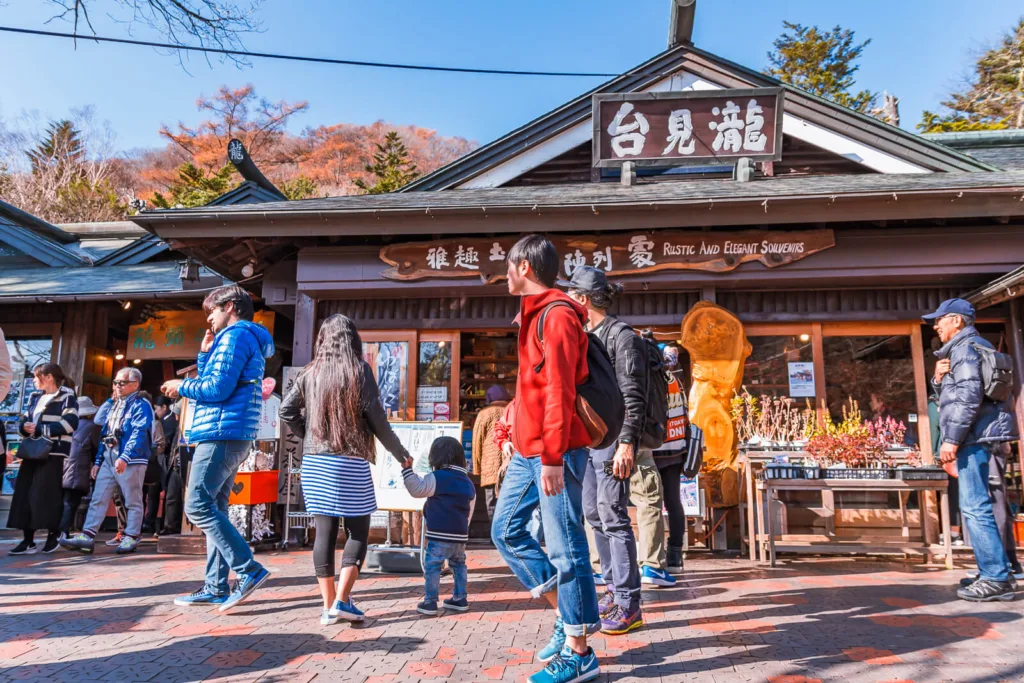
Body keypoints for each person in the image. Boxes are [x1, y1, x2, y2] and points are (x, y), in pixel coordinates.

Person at [490, 234, 600, 683]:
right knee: (505, 531)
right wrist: (512, 432)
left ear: (526, 269)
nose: (506, 274)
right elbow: (531, 388)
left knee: (566, 546)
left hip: (556, 452)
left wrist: (552, 456)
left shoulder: (556, 317)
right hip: (528, 449)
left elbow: (559, 390)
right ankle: (565, 615)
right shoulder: (532, 315)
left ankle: (580, 652)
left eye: (510, 266)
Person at [279, 313, 410, 625]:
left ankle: (328, 607)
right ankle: (342, 600)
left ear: (323, 340)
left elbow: (286, 410)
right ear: (352, 339)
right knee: (358, 530)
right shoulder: (359, 371)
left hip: (314, 464)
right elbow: (378, 421)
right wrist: (402, 454)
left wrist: (308, 434)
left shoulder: (310, 372)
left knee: (323, 533)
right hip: (348, 462)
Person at [160, 285, 275, 612]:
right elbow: (223, 379)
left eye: (211, 310)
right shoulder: (244, 338)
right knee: (215, 508)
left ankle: (248, 569)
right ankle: (214, 585)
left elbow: (217, 387)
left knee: (196, 505)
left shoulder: (236, 336)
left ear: (229, 307)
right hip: (234, 432)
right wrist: (205, 355)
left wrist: (180, 385)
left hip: (221, 432)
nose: (209, 318)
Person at [563, 266, 646, 635]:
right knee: (594, 514)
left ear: (582, 300)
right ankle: (612, 590)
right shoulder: (588, 334)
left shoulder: (621, 336)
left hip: (615, 442)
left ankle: (629, 603)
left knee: (613, 516)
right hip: (595, 442)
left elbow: (632, 394)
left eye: (570, 296)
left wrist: (627, 441)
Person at [926, 298, 1020, 602]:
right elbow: (956, 396)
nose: (936, 325)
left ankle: (995, 577)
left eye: (940, 320)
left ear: (957, 320)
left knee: (976, 508)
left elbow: (967, 399)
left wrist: (950, 441)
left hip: (975, 439)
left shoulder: (965, 350)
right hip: (985, 437)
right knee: (985, 506)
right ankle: (994, 572)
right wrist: (939, 379)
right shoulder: (971, 349)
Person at [60, 367, 153, 555]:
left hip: (131, 459)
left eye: (122, 383)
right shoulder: (115, 404)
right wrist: (98, 460)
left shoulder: (141, 405)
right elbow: (100, 423)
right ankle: (87, 534)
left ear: (135, 385)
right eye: (116, 382)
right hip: (110, 457)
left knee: (132, 499)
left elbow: (139, 432)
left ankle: (132, 535)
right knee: (98, 497)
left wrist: (126, 456)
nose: (117, 386)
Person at [8, 363, 79, 555]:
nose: (33, 381)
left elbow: (71, 423)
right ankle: (28, 540)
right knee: (25, 493)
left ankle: (52, 536)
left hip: (53, 452)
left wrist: (40, 429)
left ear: (48, 377)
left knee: (47, 495)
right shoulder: (34, 396)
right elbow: (24, 419)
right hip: (31, 450)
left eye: (36, 376)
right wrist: (25, 427)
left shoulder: (67, 395)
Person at [402, 436, 476, 616]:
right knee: (458, 565)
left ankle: (430, 602)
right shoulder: (467, 481)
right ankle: (460, 598)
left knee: (433, 565)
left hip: (438, 535)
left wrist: (407, 472)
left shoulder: (437, 477)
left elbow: (417, 490)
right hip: (460, 536)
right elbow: (470, 508)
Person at [652, 343, 690, 575]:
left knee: (652, 503)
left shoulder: (654, 381)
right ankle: (675, 554)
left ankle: (654, 554)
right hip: (676, 448)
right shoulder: (675, 380)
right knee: (673, 502)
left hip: (656, 449)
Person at [110, 391, 166, 541]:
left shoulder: (155, 422)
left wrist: (147, 453)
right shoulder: (123, 418)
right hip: (121, 462)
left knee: (136, 498)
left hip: (141, 465)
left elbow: (161, 443)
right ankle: (122, 530)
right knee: (119, 496)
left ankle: (133, 532)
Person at [59, 396, 101, 539]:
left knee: (63, 500)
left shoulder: (65, 424)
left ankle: (57, 531)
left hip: (61, 464)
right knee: (71, 502)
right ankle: (63, 531)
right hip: (78, 468)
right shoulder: (92, 427)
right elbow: (96, 448)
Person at [472, 385, 511, 522]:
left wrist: (477, 469)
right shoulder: (511, 410)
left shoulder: (484, 413)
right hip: (512, 465)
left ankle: (493, 535)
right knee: (509, 501)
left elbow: (477, 442)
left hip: (489, 467)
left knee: (492, 502)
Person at [153, 396, 180, 534]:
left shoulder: (170, 423)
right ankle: (167, 525)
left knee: (171, 495)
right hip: (171, 461)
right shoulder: (166, 422)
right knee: (169, 496)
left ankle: (169, 525)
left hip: (173, 461)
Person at [160, 398, 185, 535]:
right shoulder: (176, 428)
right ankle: (170, 526)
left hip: (185, 464)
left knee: (183, 497)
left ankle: (181, 526)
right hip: (174, 464)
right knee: (171, 497)